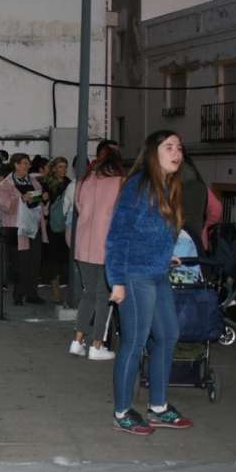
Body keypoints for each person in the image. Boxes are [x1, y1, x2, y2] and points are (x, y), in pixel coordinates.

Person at [106, 129, 193, 436]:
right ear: (153, 153)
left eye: (179, 147)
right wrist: (116, 281)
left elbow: (154, 231)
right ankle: (122, 412)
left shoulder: (168, 186)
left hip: (157, 273)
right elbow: (118, 236)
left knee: (168, 335)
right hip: (134, 275)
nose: (177, 153)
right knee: (135, 342)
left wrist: (166, 255)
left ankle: (158, 407)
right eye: (169, 147)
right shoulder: (138, 185)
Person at [68, 146, 125, 360]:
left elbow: (79, 207)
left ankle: (77, 342)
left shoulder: (83, 182)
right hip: (107, 246)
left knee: (88, 294)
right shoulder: (120, 183)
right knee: (104, 297)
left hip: (83, 245)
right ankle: (97, 345)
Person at [0, 153, 48, 305]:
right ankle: (18, 295)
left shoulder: (33, 181)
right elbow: (4, 206)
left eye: (28, 163)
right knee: (20, 263)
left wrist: (43, 198)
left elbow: (38, 202)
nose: (28, 166)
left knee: (34, 261)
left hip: (34, 226)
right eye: (25, 163)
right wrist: (20, 199)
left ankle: (32, 294)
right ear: (16, 164)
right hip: (17, 228)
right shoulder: (5, 184)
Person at [44, 157, 72, 303]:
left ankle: (62, 285)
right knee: (54, 257)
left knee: (63, 257)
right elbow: (40, 200)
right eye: (60, 166)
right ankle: (56, 289)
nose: (64, 169)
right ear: (54, 168)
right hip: (52, 225)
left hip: (65, 224)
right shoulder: (47, 183)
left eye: (65, 167)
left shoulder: (69, 182)